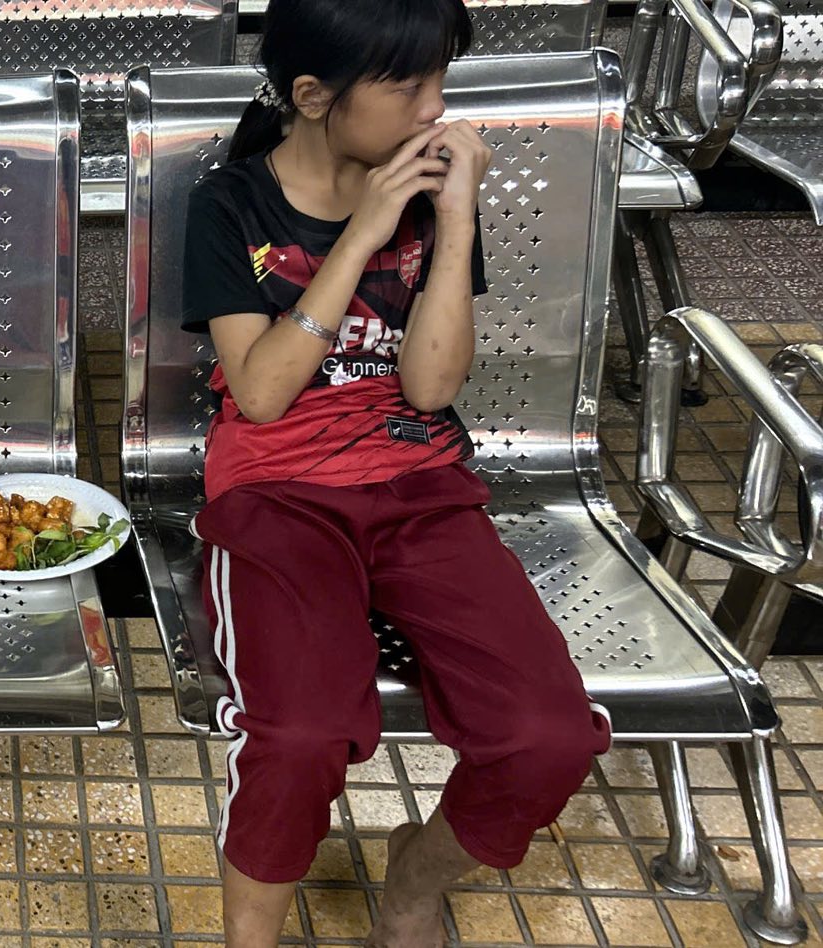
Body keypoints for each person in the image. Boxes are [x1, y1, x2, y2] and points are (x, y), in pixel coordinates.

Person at [179, 2, 613, 945]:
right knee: (296, 736)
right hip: (276, 496)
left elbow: (431, 385)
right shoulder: (230, 205)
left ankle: (415, 880)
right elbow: (261, 394)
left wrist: (453, 221)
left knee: (549, 736)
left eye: (440, 81)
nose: (435, 108)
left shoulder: (428, 201)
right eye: (410, 85)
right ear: (312, 96)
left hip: (421, 488)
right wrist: (361, 233)